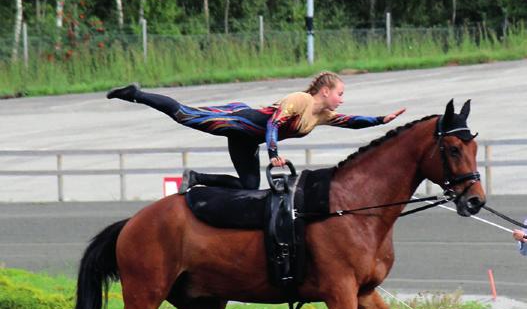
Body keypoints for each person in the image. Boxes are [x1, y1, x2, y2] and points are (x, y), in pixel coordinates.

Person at [107, 71, 406, 192]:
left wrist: (381, 119)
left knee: (249, 186)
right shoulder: (299, 101)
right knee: (184, 115)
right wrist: (274, 153)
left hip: (247, 140)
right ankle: (136, 94)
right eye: (340, 93)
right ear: (325, 91)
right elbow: (274, 124)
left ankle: (196, 179)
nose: (342, 98)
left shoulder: (322, 115)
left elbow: (352, 121)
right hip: (239, 121)